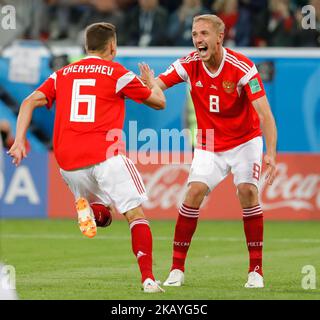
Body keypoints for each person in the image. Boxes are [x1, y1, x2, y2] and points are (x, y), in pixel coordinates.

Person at [7, 22, 165, 293]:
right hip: (105, 155)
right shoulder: (117, 72)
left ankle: (92, 210)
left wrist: (20, 139)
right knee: (135, 214)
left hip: (68, 163)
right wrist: (151, 82)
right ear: (112, 46)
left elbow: (29, 101)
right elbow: (159, 102)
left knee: (104, 215)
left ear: (86, 46)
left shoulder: (62, 73)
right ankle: (148, 279)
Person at [155, 14, 277, 288]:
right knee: (194, 192)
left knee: (248, 192)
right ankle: (176, 269)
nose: (198, 39)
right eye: (195, 34)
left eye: (204, 34)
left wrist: (270, 153)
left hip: (245, 141)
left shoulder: (242, 67)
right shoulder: (188, 64)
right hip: (210, 142)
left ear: (219, 37)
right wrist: (144, 85)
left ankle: (255, 270)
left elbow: (265, 115)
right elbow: (157, 85)